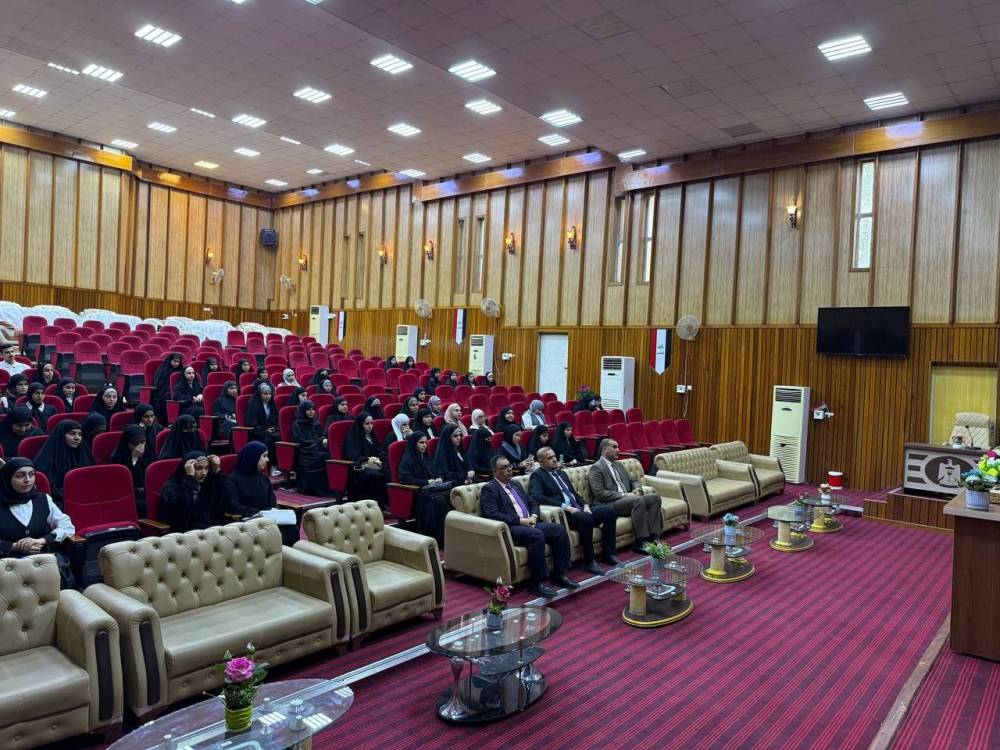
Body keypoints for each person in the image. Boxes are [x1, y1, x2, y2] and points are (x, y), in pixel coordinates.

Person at [479, 455, 577, 598]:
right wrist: (520, 521)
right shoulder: (489, 489)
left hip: (531, 522)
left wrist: (534, 515)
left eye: (509, 466)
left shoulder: (516, 484)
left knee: (558, 530)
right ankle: (536, 583)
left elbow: (532, 501)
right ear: (495, 471)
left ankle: (559, 574)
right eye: (504, 467)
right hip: (511, 527)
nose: (509, 470)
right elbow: (492, 514)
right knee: (536, 535)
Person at [530, 447, 621, 574]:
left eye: (554, 456)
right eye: (550, 458)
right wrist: (564, 506)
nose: (554, 459)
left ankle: (608, 553)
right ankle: (589, 561)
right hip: (565, 515)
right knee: (586, 518)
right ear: (540, 461)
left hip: (579, 509)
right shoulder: (537, 476)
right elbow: (537, 496)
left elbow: (574, 494)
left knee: (609, 511)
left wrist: (585, 505)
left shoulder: (561, 473)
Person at [0, 458, 76, 588]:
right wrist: (15, 546)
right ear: (7, 479)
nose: (28, 480)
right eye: (20, 476)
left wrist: (42, 540)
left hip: (45, 557)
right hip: (9, 562)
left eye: (31, 474)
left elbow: (67, 526)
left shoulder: (43, 499)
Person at [588, 439, 663, 553]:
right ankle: (641, 541)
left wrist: (637, 489)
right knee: (638, 500)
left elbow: (634, 480)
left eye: (618, 447)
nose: (618, 450)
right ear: (604, 449)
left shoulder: (618, 464)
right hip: (610, 504)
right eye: (614, 447)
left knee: (655, 498)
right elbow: (599, 493)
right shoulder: (596, 468)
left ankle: (653, 537)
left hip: (627, 500)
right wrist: (625, 495)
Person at [226, 441, 298, 545]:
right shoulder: (232, 479)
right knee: (277, 532)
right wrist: (259, 513)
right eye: (264, 456)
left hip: (268, 518)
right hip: (248, 520)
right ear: (253, 457)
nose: (267, 460)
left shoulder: (263, 478)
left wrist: (272, 512)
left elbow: (272, 501)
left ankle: (290, 554)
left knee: (291, 528)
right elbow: (234, 506)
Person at [398, 432, 450, 546]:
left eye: (425, 442)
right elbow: (405, 479)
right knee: (439, 500)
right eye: (421, 443)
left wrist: (439, 478)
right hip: (419, 495)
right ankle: (441, 538)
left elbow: (438, 471)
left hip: (433, 490)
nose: (425, 445)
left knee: (450, 495)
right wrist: (426, 482)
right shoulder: (408, 460)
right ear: (414, 444)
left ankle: (452, 535)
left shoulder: (427, 457)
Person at [159, 451, 229, 532]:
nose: (204, 473)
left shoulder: (206, 483)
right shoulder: (171, 487)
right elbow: (182, 511)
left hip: (206, 526)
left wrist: (217, 470)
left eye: (206, 468)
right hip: (183, 530)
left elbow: (224, 501)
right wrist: (189, 478)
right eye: (198, 468)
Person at [34, 419, 93, 505]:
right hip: (58, 501)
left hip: (86, 498)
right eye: (72, 434)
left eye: (80, 435)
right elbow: (47, 488)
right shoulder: (46, 459)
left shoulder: (85, 454)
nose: (77, 438)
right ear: (61, 435)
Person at [343, 412, 388, 508]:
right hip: (359, 467)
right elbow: (353, 456)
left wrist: (380, 458)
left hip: (374, 464)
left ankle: (382, 505)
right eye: (367, 424)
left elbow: (379, 450)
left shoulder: (372, 436)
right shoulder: (354, 437)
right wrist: (368, 459)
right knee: (373, 475)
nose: (370, 426)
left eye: (371, 423)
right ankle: (368, 506)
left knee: (387, 472)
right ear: (360, 424)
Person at [291, 401, 330, 496]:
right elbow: (298, 439)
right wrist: (316, 441)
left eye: (313, 409)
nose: (311, 412)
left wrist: (324, 439)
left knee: (329, 454)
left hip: (317, 447)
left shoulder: (315, 422)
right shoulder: (297, 424)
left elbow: (321, 435)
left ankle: (325, 487)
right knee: (321, 456)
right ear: (303, 411)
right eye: (308, 410)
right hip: (305, 450)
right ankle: (311, 488)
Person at [110, 424, 151, 514]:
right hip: (129, 495)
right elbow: (123, 483)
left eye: (142, 442)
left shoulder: (149, 453)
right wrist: (134, 459)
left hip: (147, 492)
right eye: (135, 444)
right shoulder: (117, 458)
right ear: (127, 443)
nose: (139, 448)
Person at [245, 383, 280, 472]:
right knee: (269, 440)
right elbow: (251, 422)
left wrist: (274, 427)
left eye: (269, 394)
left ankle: (278, 466)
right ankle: (269, 467)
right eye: (265, 394)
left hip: (270, 431)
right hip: (257, 432)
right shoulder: (253, 404)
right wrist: (264, 429)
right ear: (260, 394)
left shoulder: (272, 403)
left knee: (278, 437)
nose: (268, 396)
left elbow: (276, 418)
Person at [151, 352, 183, 422]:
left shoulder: (181, 371)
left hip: (176, 391)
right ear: (170, 360)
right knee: (169, 396)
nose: (176, 364)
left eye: (178, 362)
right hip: (162, 392)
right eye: (174, 361)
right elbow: (158, 384)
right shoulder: (163, 370)